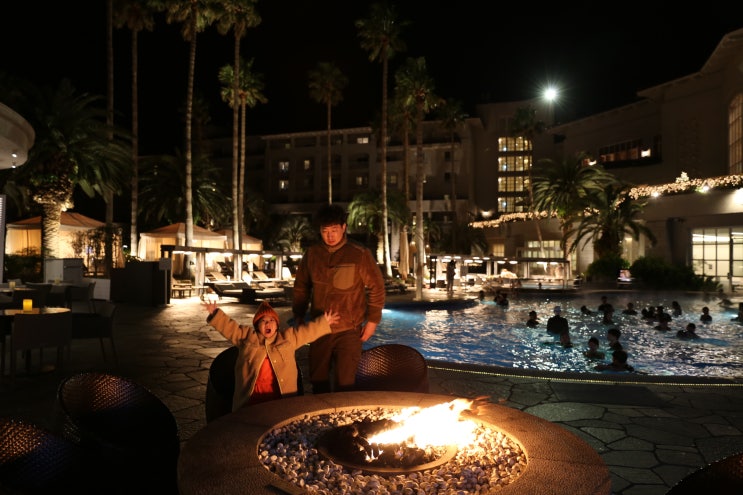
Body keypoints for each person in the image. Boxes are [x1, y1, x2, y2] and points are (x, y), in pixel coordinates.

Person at [292, 204, 386, 394]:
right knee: (318, 380)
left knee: (346, 382)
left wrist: (373, 321)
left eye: (334, 230)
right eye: (325, 231)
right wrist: (299, 314)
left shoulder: (359, 254)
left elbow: (377, 287)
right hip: (319, 326)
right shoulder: (312, 254)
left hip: (349, 330)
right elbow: (301, 287)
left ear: (344, 227)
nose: (330, 235)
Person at [203, 299, 339, 411]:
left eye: (271, 320)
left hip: (280, 399)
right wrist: (215, 314)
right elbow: (231, 328)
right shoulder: (248, 338)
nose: (267, 323)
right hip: (252, 400)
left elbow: (306, 332)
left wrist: (324, 322)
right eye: (263, 320)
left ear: (277, 325)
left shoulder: (287, 338)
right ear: (257, 326)